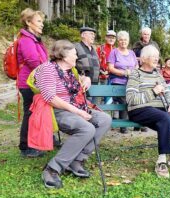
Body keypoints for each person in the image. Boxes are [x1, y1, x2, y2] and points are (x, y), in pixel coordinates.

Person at [33, 40, 112, 188]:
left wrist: (86, 79)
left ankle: (77, 160)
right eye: (75, 54)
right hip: (58, 111)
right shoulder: (47, 69)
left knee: (105, 119)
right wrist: (78, 112)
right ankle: (52, 168)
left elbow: (80, 79)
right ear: (63, 55)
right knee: (87, 128)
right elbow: (50, 97)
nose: (77, 57)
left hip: (78, 106)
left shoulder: (71, 70)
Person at [126, 45, 170, 178]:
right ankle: (162, 160)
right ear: (143, 59)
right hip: (139, 110)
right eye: (152, 56)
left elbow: (168, 93)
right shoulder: (135, 74)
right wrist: (153, 92)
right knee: (165, 118)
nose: (156, 59)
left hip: (159, 109)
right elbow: (131, 99)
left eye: (157, 56)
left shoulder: (158, 75)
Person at [17, 8, 48, 157]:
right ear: (29, 22)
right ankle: (25, 147)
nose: (42, 24)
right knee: (29, 114)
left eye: (42, 21)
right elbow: (34, 61)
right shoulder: (26, 40)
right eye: (39, 21)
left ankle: (34, 143)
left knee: (34, 113)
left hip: (35, 82)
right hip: (28, 83)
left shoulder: (34, 39)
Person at [107, 31, 138, 134]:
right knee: (124, 101)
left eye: (125, 40)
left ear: (128, 41)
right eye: (121, 40)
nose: (123, 42)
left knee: (134, 100)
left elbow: (137, 67)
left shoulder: (132, 53)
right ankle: (123, 126)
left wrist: (132, 73)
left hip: (132, 81)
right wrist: (123, 73)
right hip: (118, 82)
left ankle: (136, 124)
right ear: (118, 41)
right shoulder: (114, 52)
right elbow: (110, 68)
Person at [75, 26, 100, 103]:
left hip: (95, 83)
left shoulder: (94, 49)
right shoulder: (76, 47)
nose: (93, 36)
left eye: (94, 34)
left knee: (94, 106)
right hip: (82, 84)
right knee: (85, 106)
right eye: (91, 34)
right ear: (83, 35)